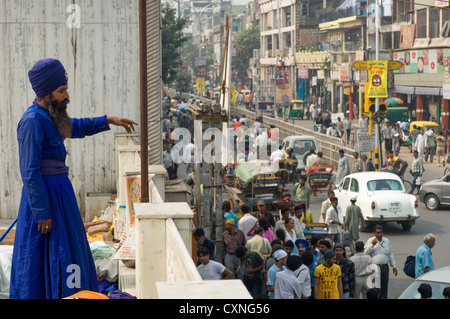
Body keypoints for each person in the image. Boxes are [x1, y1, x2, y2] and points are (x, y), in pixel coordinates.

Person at [11, 58, 138, 299]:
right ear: (46, 93)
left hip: (61, 199)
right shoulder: (32, 122)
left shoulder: (51, 116)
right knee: (43, 258)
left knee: (70, 252)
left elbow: (76, 127)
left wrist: (109, 120)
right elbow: (29, 172)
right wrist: (42, 212)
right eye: (61, 91)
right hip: (46, 203)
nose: (66, 95)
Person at [364, 224, 397, 299]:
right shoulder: (370, 241)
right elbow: (365, 253)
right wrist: (372, 245)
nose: (379, 234)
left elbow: (390, 254)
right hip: (374, 268)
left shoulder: (386, 241)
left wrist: (393, 266)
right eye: (377, 232)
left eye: (381, 232)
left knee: (384, 288)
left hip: (385, 267)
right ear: (374, 233)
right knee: (375, 288)